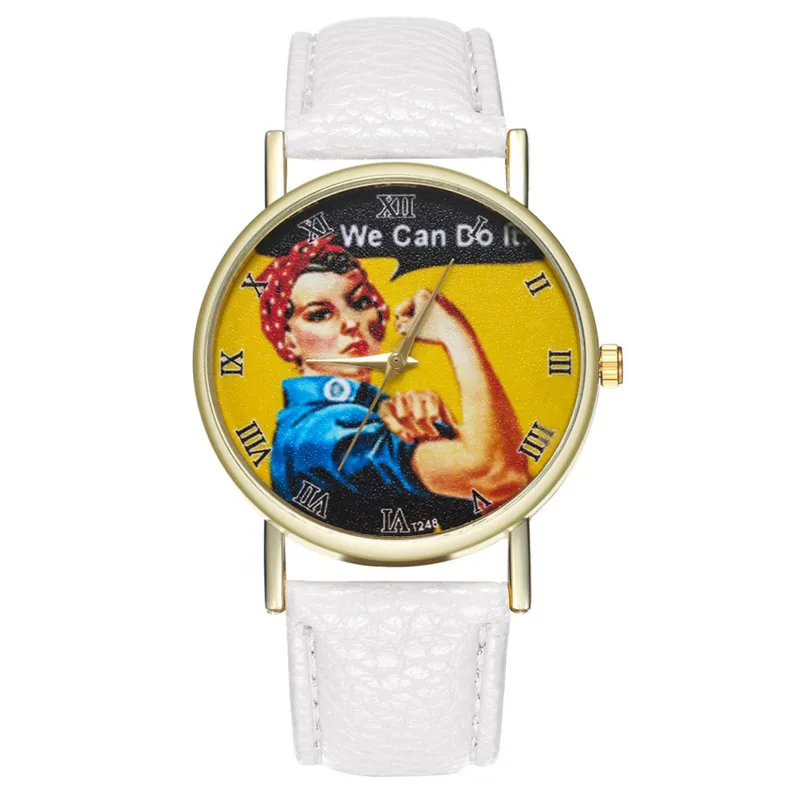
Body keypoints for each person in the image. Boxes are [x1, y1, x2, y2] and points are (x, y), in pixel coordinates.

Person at [257, 235, 528, 534]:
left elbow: (492, 502)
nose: (351, 322)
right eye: (320, 314)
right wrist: (456, 334)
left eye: (360, 302)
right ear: (289, 342)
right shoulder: (319, 431)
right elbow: (499, 476)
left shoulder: (367, 413)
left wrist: (446, 430)